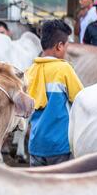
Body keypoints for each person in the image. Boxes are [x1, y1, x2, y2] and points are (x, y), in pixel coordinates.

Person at [25, 20, 83, 167]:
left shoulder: (30, 70)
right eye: (66, 46)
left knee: (38, 187)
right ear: (59, 46)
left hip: (35, 145)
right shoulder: (64, 69)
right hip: (60, 146)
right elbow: (80, 98)